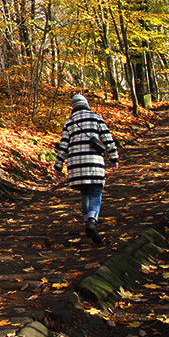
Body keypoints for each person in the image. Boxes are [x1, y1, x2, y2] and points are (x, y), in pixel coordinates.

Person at [53, 94, 119, 244]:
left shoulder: (69, 122)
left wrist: (58, 166)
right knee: (96, 192)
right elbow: (107, 138)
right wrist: (113, 157)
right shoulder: (96, 118)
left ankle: (88, 223)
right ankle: (92, 220)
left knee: (85, 193)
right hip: (94, 162)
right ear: (86, 104)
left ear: (73, 107)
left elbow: (64, 146)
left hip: (76, 165)